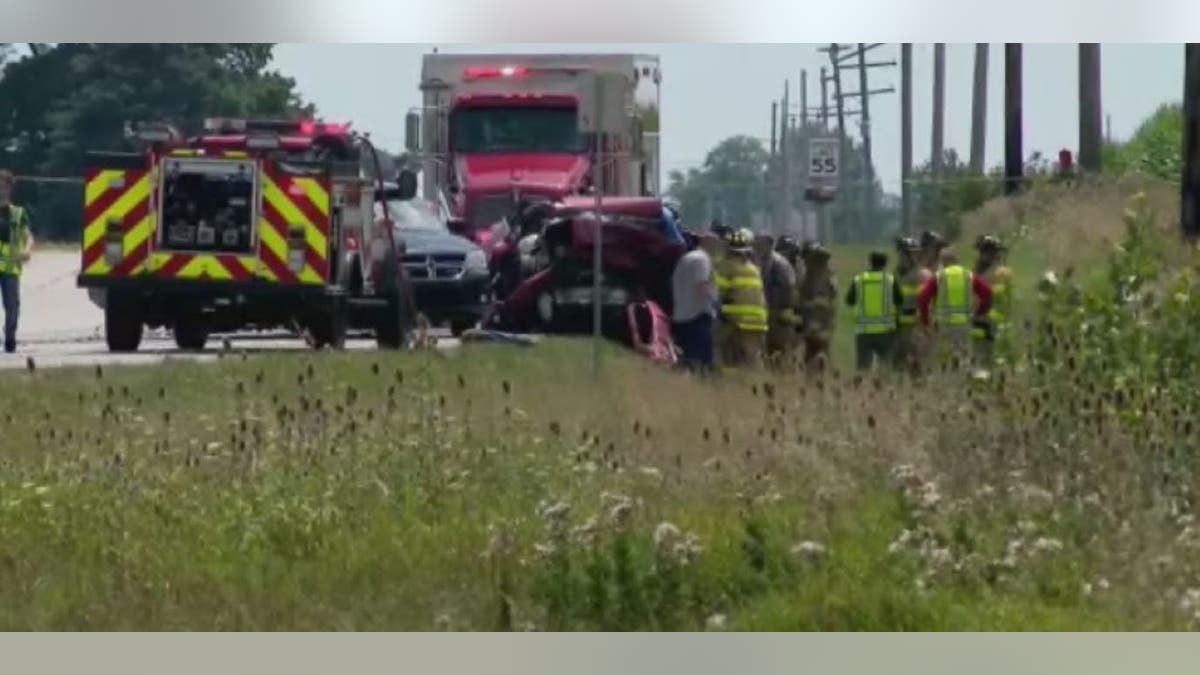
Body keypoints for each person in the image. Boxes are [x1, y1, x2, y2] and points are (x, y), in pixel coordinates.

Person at [917, 248, 993, 368]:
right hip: (964, 324)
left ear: (943, 261)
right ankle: (962, 382)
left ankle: (946, 382)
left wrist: (926, 321)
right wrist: (979, 312)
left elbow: (923, 299)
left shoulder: (939, 276)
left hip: (944, 325)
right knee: (964, 358)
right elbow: (987, 293)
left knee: (944, 359)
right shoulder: (968, 275)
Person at [714, 228, 768, 370]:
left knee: (722, 352)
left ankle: (726, 386)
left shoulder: (726, 267)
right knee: (753, 360)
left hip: (736, 321)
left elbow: (717, 294)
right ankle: (755, 385)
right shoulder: (754, 269)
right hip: (759, 322)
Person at [670, 231, 720, 373]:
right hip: (697, 315)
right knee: (700, 362)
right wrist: (715, 305)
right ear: (708, 243)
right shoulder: (702, 259)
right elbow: (701, 285)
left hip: (681, 314)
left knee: (685, 358)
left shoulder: (686, 258)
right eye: (716, 244)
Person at [846, 251, 903, 370]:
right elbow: (899, 301)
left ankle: (863, 388)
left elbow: (849, 301)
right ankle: (883, 386)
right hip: (886, 331)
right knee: (885, 366)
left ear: (870, 262)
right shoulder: (890, 280)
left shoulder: (859, 280)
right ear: (885, 264)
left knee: (863, 367)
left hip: (864, 331)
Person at [753, 232, 799, 367]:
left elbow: (789, 289)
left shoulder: (780, 264)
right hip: (767, 314)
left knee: (780, 353)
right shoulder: (761, 262)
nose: (757, 248)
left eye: (760, 244)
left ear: (769, 245)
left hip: (779, 316)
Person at [0, 170, 34, 354]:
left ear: (10, 189)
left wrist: (27, 250)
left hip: (11, 268)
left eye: (5, 187)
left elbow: (28, 235)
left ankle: (10, 338)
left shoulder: (18, 213)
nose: (1, 191)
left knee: (12, 307)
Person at [972, 234, 1014, 364]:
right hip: (990, 324)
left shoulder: (979, 274)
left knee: (983, 358)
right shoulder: (1001, 272)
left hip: (985, 323)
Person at [797, 241, 838, 371]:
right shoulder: (825, 275)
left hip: (818, 324)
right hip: (817, 324)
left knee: (818, 355)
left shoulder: (817, 276)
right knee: (815, 354)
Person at [892, 236, 930, 374]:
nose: (900, 258)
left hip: (916, 331)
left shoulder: (922, 275)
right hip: (899, 330)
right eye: (900, 254)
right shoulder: (897, 275)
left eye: (903, 254)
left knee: (917, 369)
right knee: (897, 369)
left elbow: (926, 305)